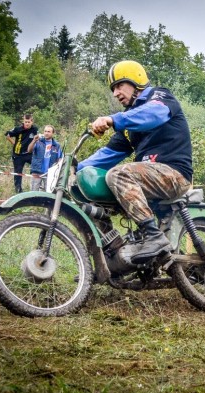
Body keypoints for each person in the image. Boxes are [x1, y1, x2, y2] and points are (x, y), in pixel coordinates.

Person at [77, 60, 193, 264]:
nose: (115, 93)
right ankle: (113, 252)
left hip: (174, 174)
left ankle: (153, 236)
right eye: (113, 89)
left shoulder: (160, 97)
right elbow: (107, 154)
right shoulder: (129, 126)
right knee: (91, 197)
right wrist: (73, 168)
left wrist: (113, 119)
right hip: (149, 180)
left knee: (118, 173)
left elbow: (153, 114)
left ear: (136, 80)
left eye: (119, 85)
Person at [5, 114, 38, 193]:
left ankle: (36, 188)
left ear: (31, 122)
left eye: (28, 122)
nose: (27, 123)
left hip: (29, 154)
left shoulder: (35, 129)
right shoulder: (17, 129)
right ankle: (18, 190)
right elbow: (7, 135)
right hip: (18, 155)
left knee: (37, 167)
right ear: (23, 121)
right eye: (25, 122)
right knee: (18, 173)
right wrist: (14, 143)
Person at [28, 125, 62, 191]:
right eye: (45, 131)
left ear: (53, 133)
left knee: (49, 192)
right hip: (37, 171)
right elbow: (29, 150)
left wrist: (56, 171)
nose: (46, 133)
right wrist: (34, 141)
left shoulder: (56, 145)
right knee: (33, 192)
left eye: (49, 131)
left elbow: (59, 159)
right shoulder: (38, 141)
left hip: (49, 173)